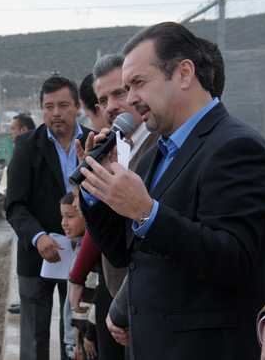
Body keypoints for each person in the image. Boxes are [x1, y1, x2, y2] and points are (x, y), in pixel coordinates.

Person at [77, 21, 265, 359]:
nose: (132, 99)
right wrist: (98, 188)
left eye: (138, 83)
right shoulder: (154, 157)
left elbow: (234, 260)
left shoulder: (236, 146)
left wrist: (146, 212)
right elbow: (125, 254)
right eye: (126, 88)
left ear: (183, 74)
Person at [70, 53, 160, 360]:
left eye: (119, 93)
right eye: (103, 99)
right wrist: (93, 186)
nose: (110, 107)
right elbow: (113, 242)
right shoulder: (120, 147)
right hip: (119, 293)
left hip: (151, 303)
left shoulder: (162, 146)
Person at [6, 76, 93, 360]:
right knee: (33, 339)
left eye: (64, 105)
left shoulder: (95, 142)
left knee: (78, 334)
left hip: (85, 257)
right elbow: (15, 204)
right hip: (37, 257)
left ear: (78, 106)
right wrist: (37, 237)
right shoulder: (27, 144)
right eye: (49, 106)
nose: (56, 112)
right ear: (41, 109)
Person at [61, 189, 98, 360]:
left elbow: (87, 302)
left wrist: (81, 339)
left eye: (70, 216)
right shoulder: (77, 248)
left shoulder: (88, 255)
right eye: (62, 217)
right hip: (75, 335)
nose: (63, 223)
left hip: (83, 335)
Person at [5, 112, 36, 315]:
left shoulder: (28, 149)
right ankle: (23, 301)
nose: (10, 133)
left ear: (23, 130)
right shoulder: (22, 148)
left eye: (13, 129)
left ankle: (26, 302)